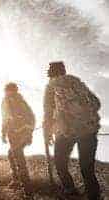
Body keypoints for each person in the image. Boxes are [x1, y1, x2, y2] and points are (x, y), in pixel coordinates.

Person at [43, 61, 101, 200]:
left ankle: (71, 192)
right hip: (89, 130)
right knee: (87, 168)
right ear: (63, 71)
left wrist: (47, 133)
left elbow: (48, 113)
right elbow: (96, 103)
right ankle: (94, 196)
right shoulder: (77, 82)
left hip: (66, 132)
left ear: (51, 73)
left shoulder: (51, 86)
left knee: (60, 163)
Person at [1, 83, 35, 192]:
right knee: (12, 155)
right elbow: (31, 118)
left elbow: (7, 118)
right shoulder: (19, 100)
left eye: (8, 90)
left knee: (18, 157)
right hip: (18, 133)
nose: (7, 93)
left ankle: (26, 186)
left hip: (16, 134)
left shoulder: (13, 101)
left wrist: (4, 132)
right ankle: (18, 181)